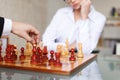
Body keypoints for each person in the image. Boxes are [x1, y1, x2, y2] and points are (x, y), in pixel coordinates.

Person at [42, 0, 106, 80]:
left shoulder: (99, 18)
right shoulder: (61, 13)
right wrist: (69, 46)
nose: (71, 0)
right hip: (59, 69)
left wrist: (84, 17)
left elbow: (85, 51)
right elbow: (45, 44)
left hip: (83, 71)